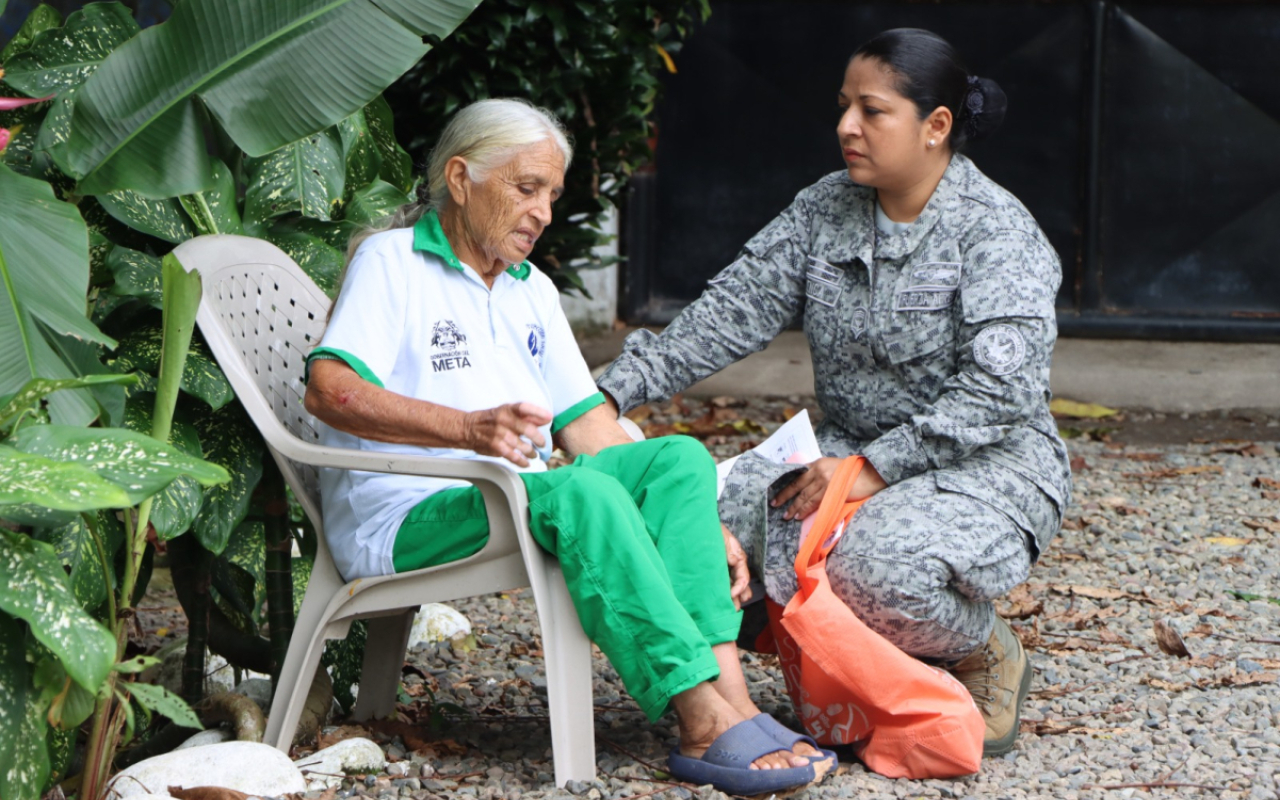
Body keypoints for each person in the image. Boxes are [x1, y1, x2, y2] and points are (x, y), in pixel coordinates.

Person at [303, 98, 835, 795]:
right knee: (581, 489)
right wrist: (467, 428)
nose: (544, 212)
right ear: (460, 178)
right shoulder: (393, 263)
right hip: (405, 514)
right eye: (527, 189)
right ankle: (698, 715)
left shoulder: (531, 291)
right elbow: (328, 388)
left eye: (551, 194)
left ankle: (731, 698)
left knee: (676, 460)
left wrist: (702, 520)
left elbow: (587, 429)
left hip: (514, 499)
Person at [596, 28, 1072, 757]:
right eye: (844, 106)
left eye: (872, 111)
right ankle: (818, 675)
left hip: (987, 467)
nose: (846, 127)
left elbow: (997, 395)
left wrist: (867, 472)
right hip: (846, 450)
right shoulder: (827, 208)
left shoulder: (996, 234)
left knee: (873, 569)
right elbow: (733, 310)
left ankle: (982, 647)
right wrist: (609, 394)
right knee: (694, 521)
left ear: (936, 126)